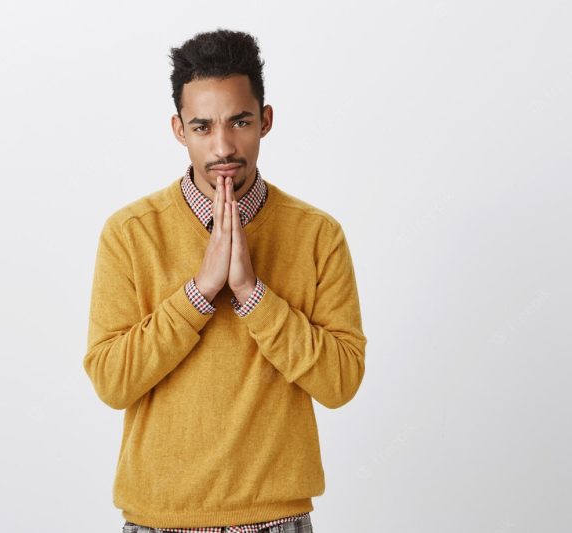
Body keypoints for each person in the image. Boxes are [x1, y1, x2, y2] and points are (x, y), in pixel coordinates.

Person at [83, 28, 367, 533]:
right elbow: (111, 381)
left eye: (239, 121)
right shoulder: (129, 234)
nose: (223, 146)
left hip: (275, 519)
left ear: (266, 120)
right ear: (178, 129)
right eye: (202, 127)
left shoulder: (317, 235)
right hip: (158, 520)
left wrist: (253, 296)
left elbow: (341, 381)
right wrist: (198, 294)